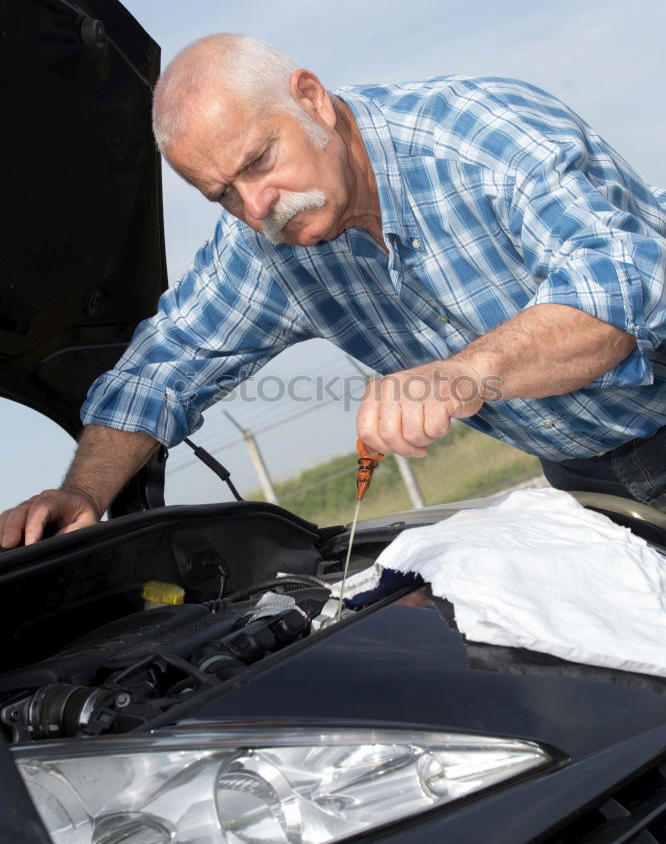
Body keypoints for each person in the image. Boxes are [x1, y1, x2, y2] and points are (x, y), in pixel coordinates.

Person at [2, 33, 666, 547]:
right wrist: (83, 493)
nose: (259, 206)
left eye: (260, 161)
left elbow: (618, 289)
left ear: (312, 98)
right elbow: (161, 369)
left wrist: (466, 373)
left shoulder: (476, 136)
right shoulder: (268, 247)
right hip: (587, 472)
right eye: (222, 194)